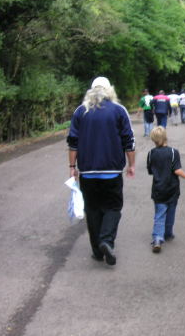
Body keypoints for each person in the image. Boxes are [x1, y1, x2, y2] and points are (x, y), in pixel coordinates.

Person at [67, 76, 135, 266]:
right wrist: (131, 165)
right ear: (109, 90)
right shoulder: (118, 110)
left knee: (93, 209)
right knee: (113, 207)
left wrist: (72, 167)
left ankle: (97, 251)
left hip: (87, 172)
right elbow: (129, 140)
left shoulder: (81, 111)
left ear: (91, 91)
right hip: (112, 171)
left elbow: (72, 142)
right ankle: (106, 240)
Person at [147, 126, 185, 253]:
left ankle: (158, 238)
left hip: (158, 189)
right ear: (165, 137)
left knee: (159, 215)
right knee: (171, 212)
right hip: (172, 189)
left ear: (153, 140)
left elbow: (150, 171)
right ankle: (168, 233)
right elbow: (177, 170)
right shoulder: (174, 152)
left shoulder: (151, 154)